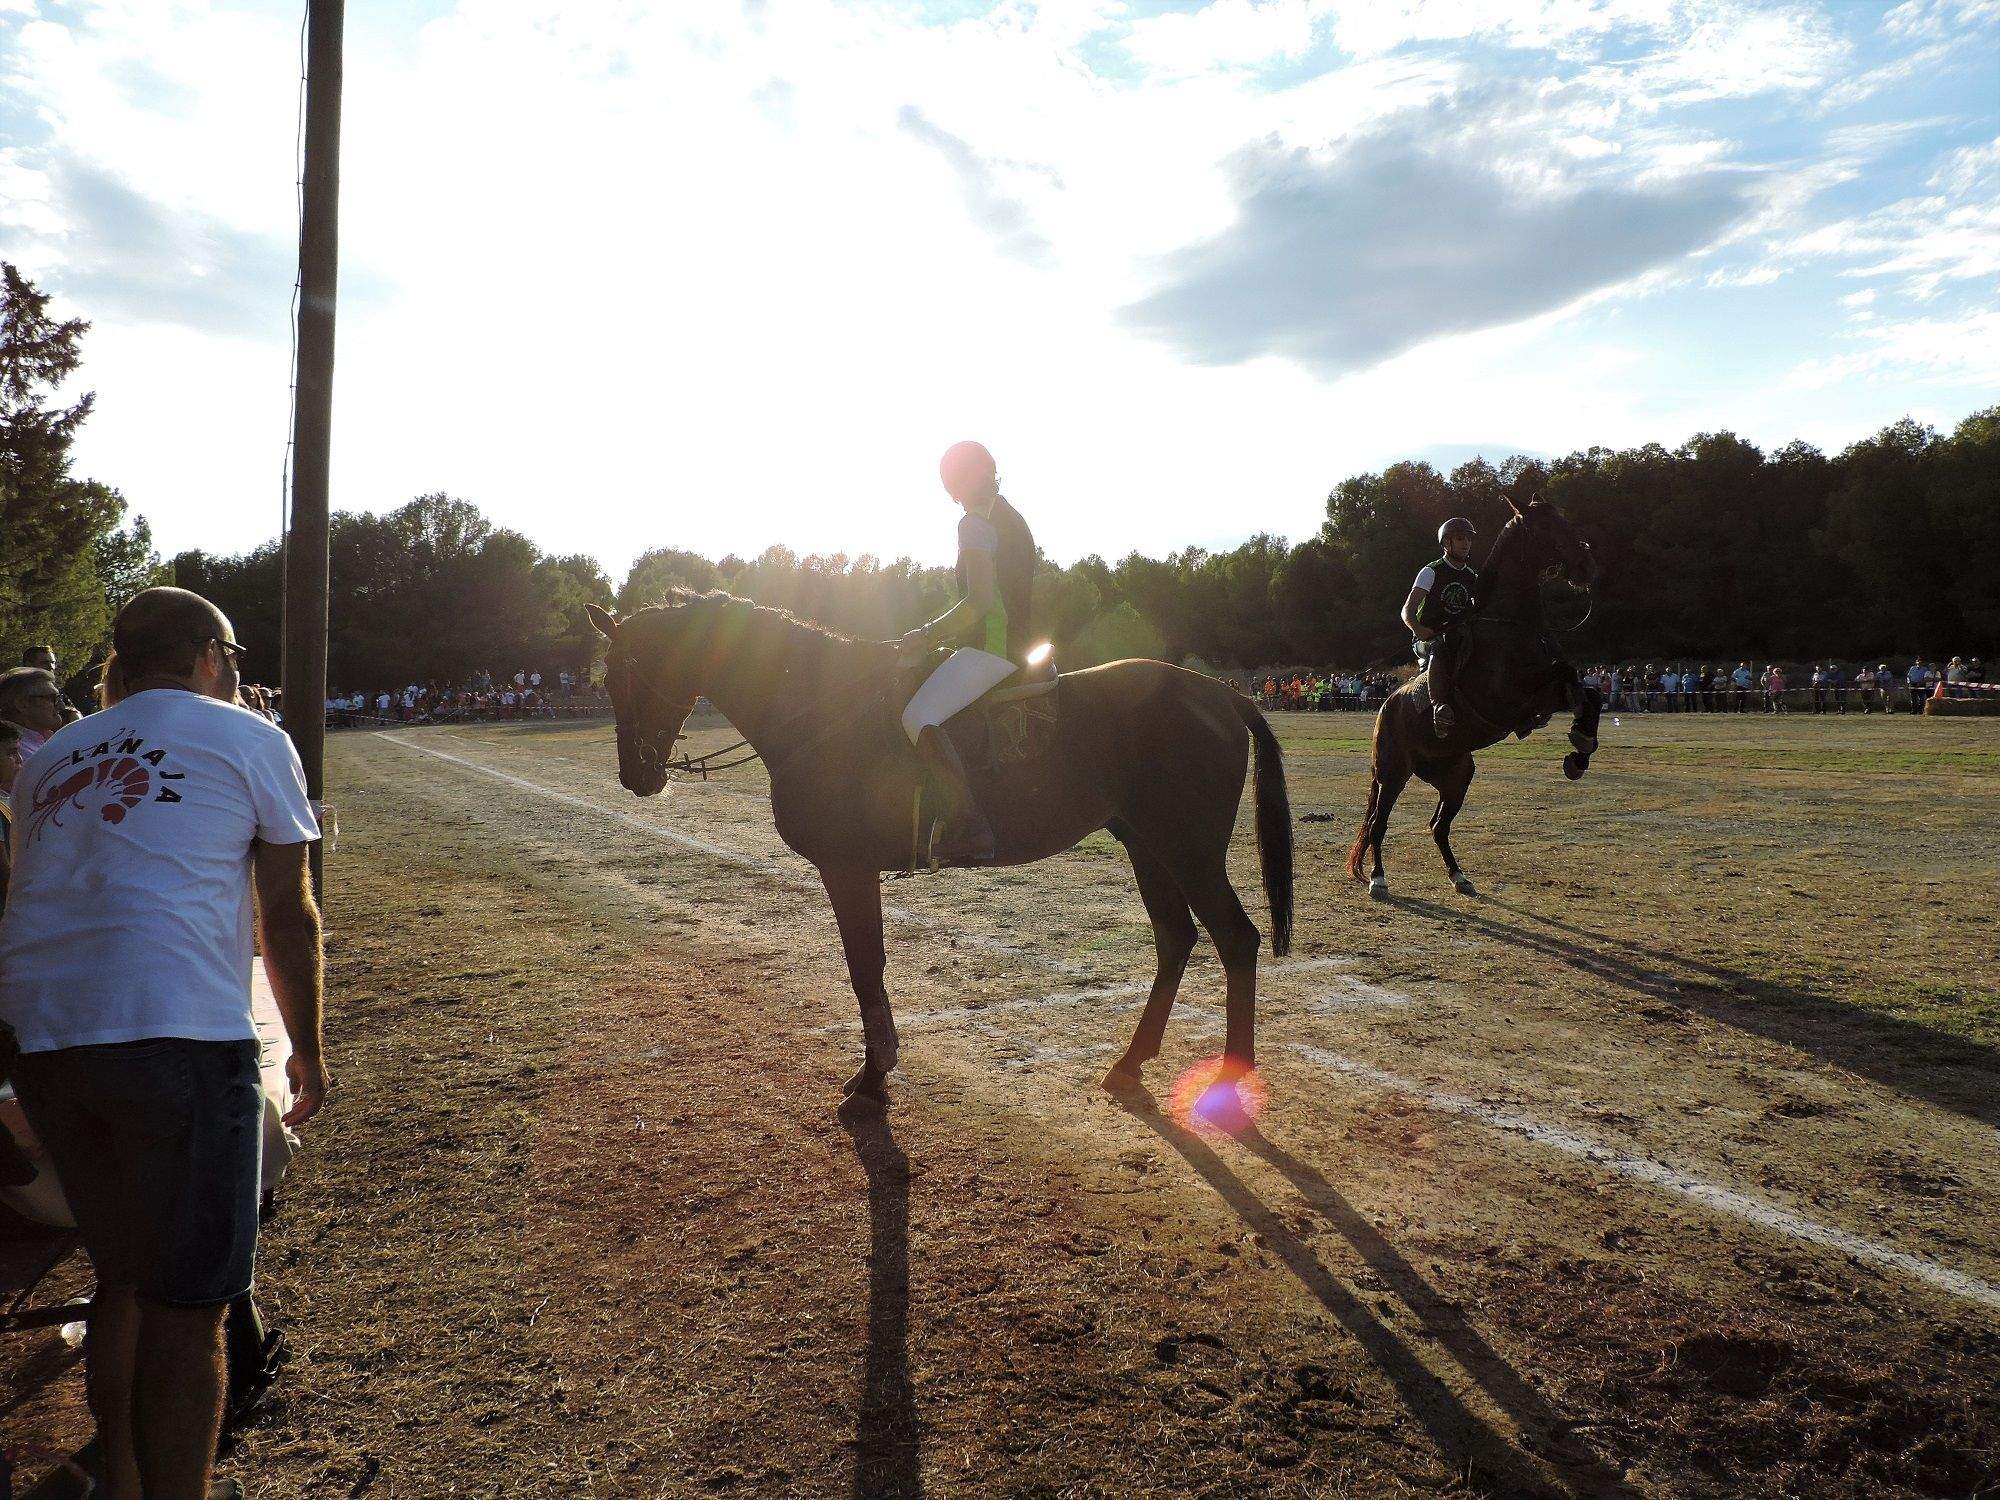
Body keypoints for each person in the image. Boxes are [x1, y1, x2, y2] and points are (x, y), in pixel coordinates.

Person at [0, 587, 328, 1500]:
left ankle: (129, 1485)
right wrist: (307, 1046)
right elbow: (287, 917)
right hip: (172, 1032)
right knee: (190, 1313)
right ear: (205, 654)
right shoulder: (250, 736)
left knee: (127, 1280)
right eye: (233, 655)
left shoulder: (48, 758)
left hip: (46, 1039)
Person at [897, 440, 1037, 864]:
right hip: (1016, 644)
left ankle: (967, 825)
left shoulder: (973, 524)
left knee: (915, 716)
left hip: (993, 648)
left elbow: (978, 604)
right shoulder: (1011, 515)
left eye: (956, 482)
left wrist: (925, 633)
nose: (957, 492)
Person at [1401, 517, 1479, 735]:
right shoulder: (1431, 571)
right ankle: (1438, 708)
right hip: (1427, 639)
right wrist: (1419, 630)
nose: (1466, 543)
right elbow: (1407, 610)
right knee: (1439, 647)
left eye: (1469, 539)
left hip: (1458, 637)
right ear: (1446, 543)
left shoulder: (1473, 577)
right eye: (1460, 538)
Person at [0, 666, 67, 758]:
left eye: (59, 697)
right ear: (22, 704)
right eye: (52, 698)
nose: (61, 706)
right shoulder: (15, 752)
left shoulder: (44, 739)